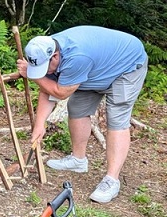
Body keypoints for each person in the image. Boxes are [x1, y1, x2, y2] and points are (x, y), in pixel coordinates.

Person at [17, 25, 147, 204]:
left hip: (126, 67)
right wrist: (40, 124)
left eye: (46, 68)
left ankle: (112, 180)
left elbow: (60, 92)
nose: (46, 72)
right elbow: (48, 90)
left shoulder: (76, 57)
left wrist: (34, 77)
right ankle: (78, 160)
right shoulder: (45, 48)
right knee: (77, 108)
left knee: (116, 119)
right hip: (96, 69)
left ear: (55, 56)